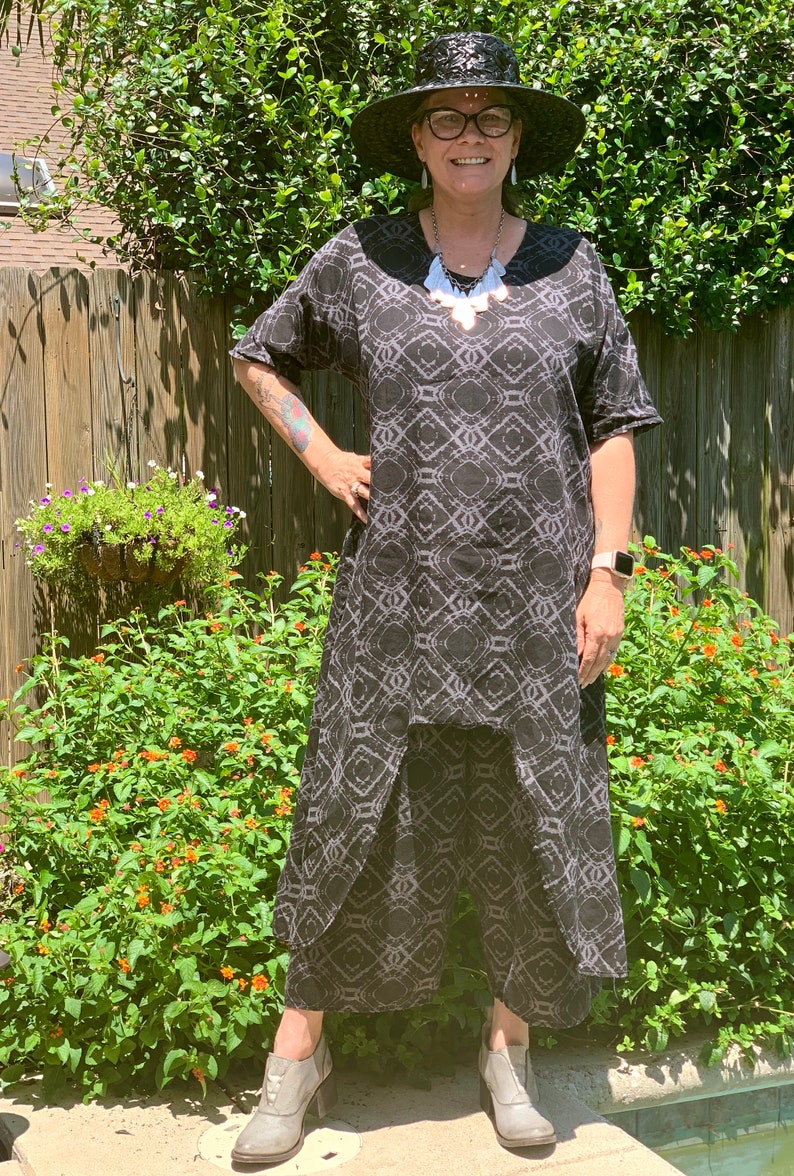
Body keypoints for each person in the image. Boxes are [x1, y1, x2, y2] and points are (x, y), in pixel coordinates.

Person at [229, 30, 662, 1166]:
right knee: (348, 810)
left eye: (489, 118)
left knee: (526, 821)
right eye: (445, 119)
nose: (469, 137)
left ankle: (506, 1050)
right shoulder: (358, 260)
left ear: (516, 138)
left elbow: (614, 423)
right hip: (395, 604)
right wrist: (322, 455)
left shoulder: (573, 265)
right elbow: (256, 355)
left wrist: (605, 570)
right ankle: (296, 1055)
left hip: (536, 605)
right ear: (416, 141)